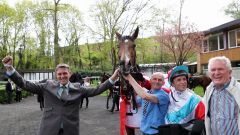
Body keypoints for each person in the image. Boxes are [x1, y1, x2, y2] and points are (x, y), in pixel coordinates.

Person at [2, 55, 119, 135]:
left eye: (65, 73)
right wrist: (11, 69)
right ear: (56, 75)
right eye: (59, 74)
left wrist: (113, 77)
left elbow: (97, 90)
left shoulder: (78, 88)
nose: (62, 76)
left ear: (70, 74)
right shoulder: (47, 86)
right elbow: (25, 84)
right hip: (49, 130)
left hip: (70, 131)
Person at [203, 56, 240, 135]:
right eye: (213, 70)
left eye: (220, 69)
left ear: (229, 72)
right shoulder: (209, 91)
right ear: (209, 74)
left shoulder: (238, 89)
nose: (216, 73)